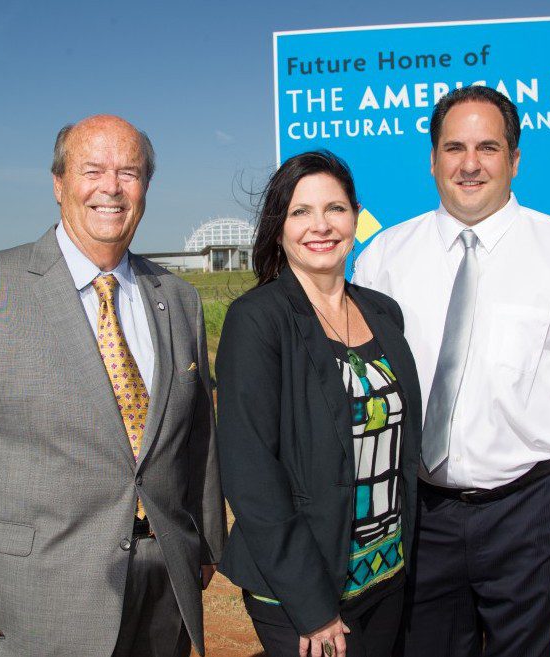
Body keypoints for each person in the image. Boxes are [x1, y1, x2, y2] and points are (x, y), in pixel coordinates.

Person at [0, 114, 226, 657]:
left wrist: (205, 542)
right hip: (38, 591)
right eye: (92, 170)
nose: (111, 187)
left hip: (161, 579)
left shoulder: (177, 297)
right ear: (58, 183)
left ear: (146, 187)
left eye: (129, 172)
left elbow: (198, 435)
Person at [353, 86, 550, 657]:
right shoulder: (385, 258)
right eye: (454, 147)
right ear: (432, 159)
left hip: (531, 514)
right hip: (421, 515)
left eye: (488, 147)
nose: (470, 163)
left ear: (514, 159)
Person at [216, 150, 422, 657]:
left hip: (384, 572)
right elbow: (251, 476)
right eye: (300, 212)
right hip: (304, 590)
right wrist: (313, 607)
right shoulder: (258, 320)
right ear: (279, 228)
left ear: (356, 215)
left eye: (335, 208)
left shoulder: (383, 312)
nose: (321, 225)